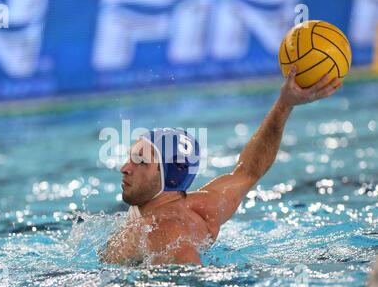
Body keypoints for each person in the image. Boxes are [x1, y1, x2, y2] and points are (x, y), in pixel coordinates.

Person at [99, 66, 343, 266]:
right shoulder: (204, 206)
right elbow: (248, 170)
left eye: (140, 161)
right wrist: (285, 103)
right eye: (130, 157)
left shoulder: (165, 231)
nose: (125, 167)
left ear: (170, 177)